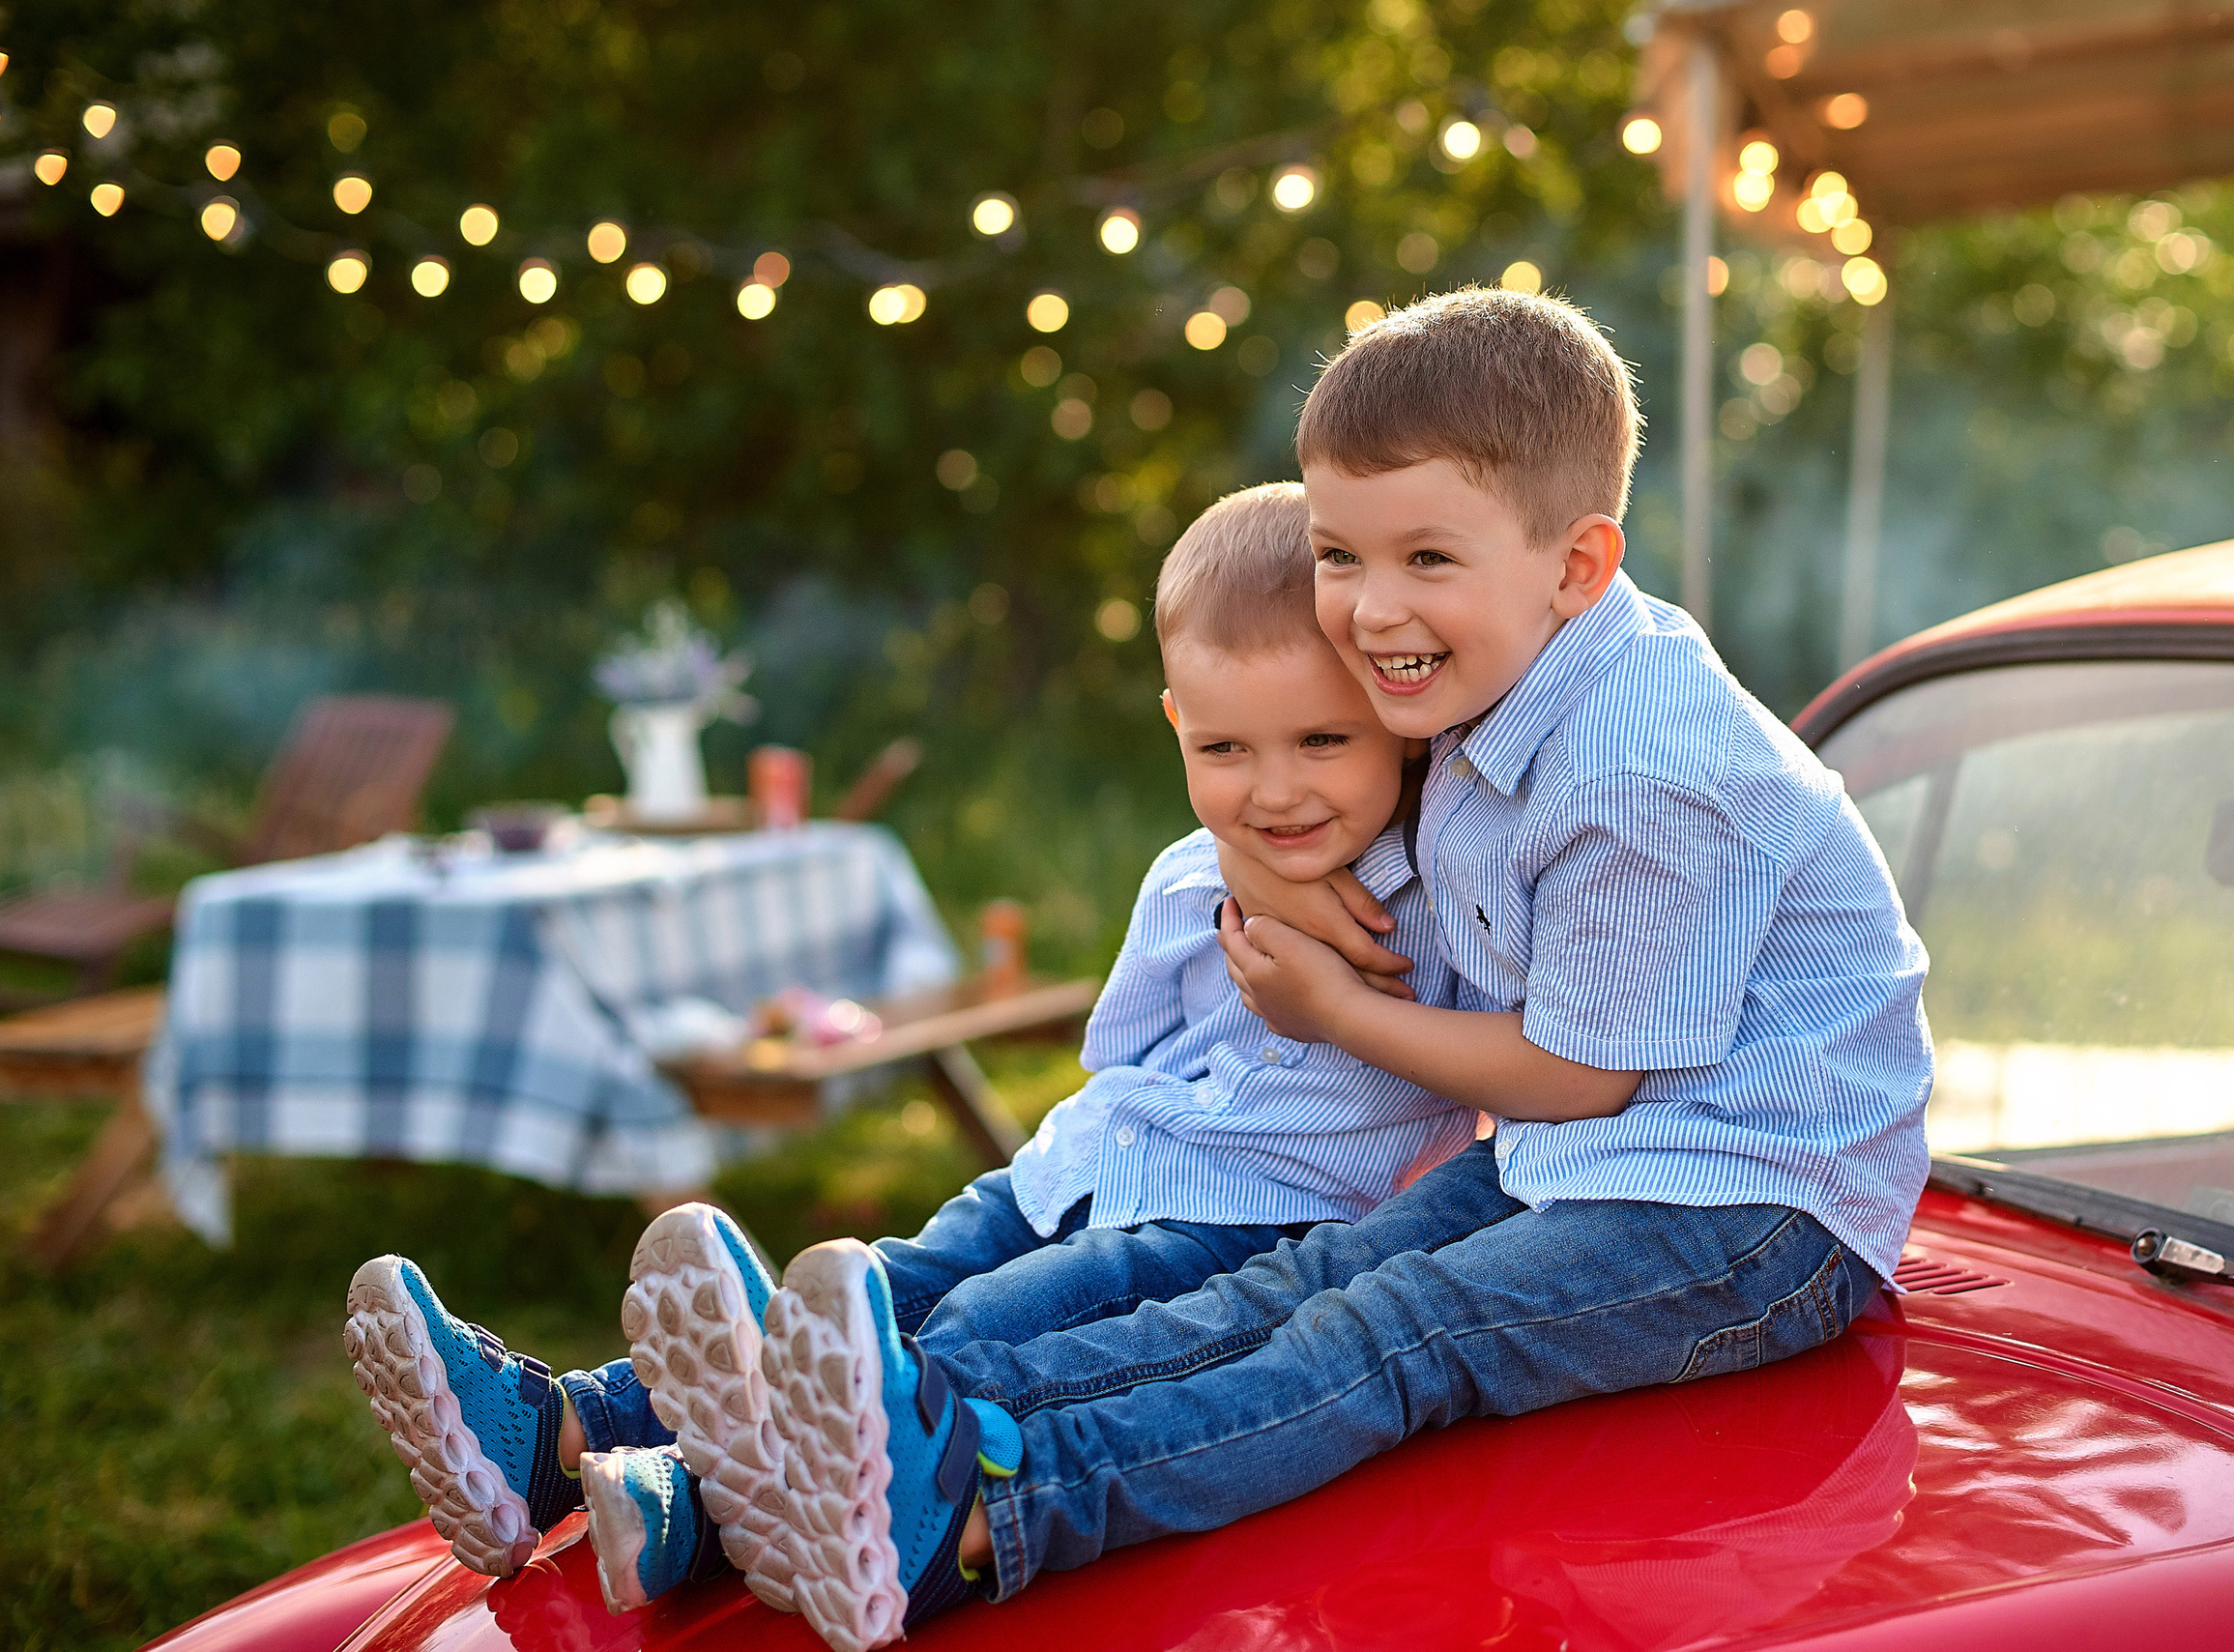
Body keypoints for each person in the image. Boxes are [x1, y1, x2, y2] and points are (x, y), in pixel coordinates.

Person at [688, 286, 1932, 1651]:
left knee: (1395, 1329)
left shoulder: (1643, 772)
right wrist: (1259, 868)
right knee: (1310, 1280)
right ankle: (840, 1453)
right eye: (1341, 553)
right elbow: (1304, 791)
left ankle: (994, 1501)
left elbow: (1584, 1075)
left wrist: (1331, 1008)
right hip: (1599, 1152)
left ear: (1576, 564)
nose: (1370, 607)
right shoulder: (1496, 666)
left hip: (1756, 1205)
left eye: (1425, 557)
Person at [340, 480, 1476, 1621]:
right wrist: (1245, 883)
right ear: (1177, 721)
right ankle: (557, 1426)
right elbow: (1123, 1049)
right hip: (1082, 1162)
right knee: (882, 1281)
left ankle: (688, 1501)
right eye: (1225, 746)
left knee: (981, 1326)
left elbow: (1478, 1065)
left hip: (1242, 1212)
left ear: (1403, 716)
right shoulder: (1192, 868)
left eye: (1322, 740)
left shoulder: (1446, 895)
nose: (1274, 790)